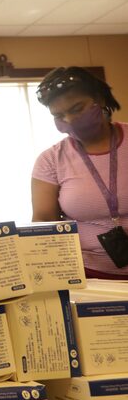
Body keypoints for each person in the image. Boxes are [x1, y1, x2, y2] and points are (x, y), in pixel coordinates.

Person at [32, 66, 128, 279]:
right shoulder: (51, 159)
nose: (69, 120)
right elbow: (43, 222)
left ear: (100, 100)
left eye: (77, 109)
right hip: (88, 274)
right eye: (59, 115)